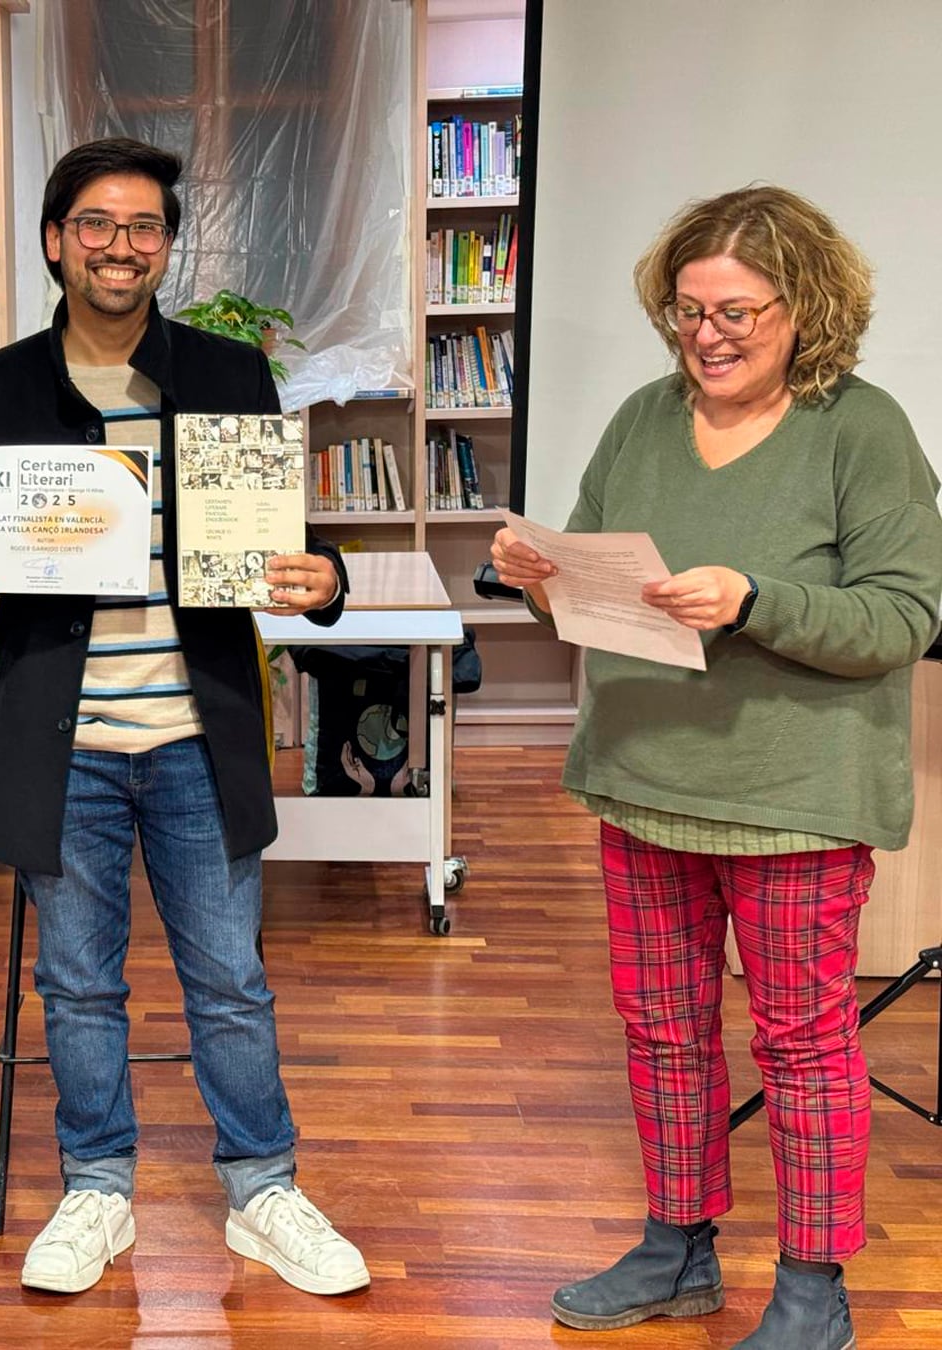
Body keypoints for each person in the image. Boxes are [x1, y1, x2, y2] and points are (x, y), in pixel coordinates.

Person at [0, 137, 365, 1297]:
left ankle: (264, 1188)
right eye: (98, 226)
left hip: (194, 733)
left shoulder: (225, 375)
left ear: (168, 244)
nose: (123, 248)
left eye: (146, 228)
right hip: (63, 743)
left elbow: (283, 550)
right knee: (77, 983)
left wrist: (326, 579)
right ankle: (96, 1187)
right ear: (58, 241)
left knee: (229, 980)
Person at [492, 185, 942, 1350]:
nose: (708, 336)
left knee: (800, 1040)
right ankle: (679, 1246)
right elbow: (592, 581)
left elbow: (903, 617)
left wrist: (756, 600)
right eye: (689, 311)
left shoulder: (864, 429)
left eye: (737, 310)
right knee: (661, 1029)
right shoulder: (645, 417)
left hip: (792, 798)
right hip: (640, 777)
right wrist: (542, 572)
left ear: (810, 306)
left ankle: (813, 1287)